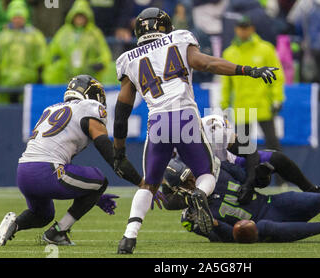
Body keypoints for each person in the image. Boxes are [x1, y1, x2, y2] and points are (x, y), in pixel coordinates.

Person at [113, 7, 280, 254]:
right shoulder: (179, 39)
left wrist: (118, 149)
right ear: (165, 26)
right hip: (185, 117)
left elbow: (122, 110)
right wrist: (248, 70)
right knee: (207, 174)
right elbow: (207, 63)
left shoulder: (130, 59)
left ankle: (129, 237)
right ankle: (198, 195)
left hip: (157, 121)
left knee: (149, 184)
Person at [0, 75, 141, 246]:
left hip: (24, 172)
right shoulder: (89, 108)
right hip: (47, 171)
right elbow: (110, 154)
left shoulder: (51, 109)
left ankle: (14, 225)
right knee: (99, 180)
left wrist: (95, 197)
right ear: (91, 94)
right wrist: (141, 183)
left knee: (42, 215)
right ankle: (58, 232)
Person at [163, 158, 320, 243]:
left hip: (271, 205)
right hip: (261, 228)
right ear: (178, 190)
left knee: (313, 199)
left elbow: (250, 178)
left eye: (191, 177)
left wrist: (257, 177)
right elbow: (233, 236)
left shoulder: (216, 171)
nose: (192, 182)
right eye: (186, 183)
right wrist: (213, 226)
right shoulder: (191, 217)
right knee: (253, 228)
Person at [201, 114, 320, 200]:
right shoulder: (184, 138)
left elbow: (250, 150)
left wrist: (249, 182)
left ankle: (310, 189)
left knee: (276, 159)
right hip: (210, 176)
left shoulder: (212, 126)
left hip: (230, 168)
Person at [221, 16, 285, 151]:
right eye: (240, 28)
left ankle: (278, 172)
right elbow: (226, 83)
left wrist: (277, 99)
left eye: (246, 28)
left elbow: (277, 76)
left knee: (273, 143)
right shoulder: (229, 53)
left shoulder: (266, 49)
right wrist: (224, 104)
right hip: (242, 105)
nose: (243, 32)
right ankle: (247, 172)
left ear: (252, 29)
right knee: (243, 147)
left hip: (262, 104)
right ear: (236, 29)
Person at [42, 0, 112, 85]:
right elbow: (53, 51)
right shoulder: (63, 33)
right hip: (65, 78)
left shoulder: (94, 34)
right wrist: (56, 60)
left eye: (82, 17)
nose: (80, 19)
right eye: (78, 16)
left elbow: (104, 52)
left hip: (89, 77)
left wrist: (100, 63)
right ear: (72, 16)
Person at [0, 0, 47, 104]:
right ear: (10, 18)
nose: (17, 20)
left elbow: (41, 58)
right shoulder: (2, 36)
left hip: (29, 79)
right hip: (5, 81)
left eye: (20, 17)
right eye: (15, 17)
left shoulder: (35, 36)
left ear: (25, 17)